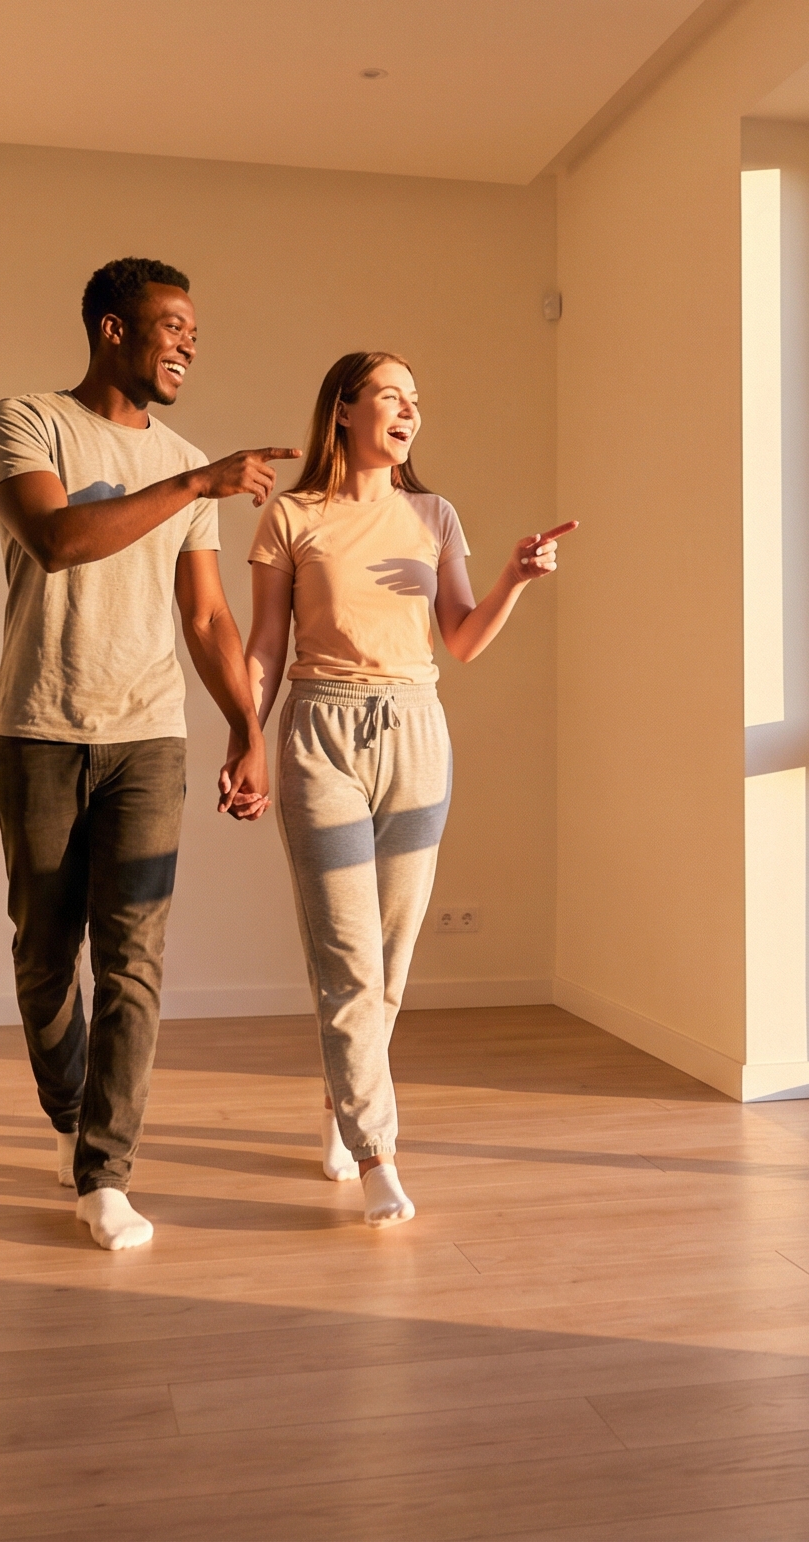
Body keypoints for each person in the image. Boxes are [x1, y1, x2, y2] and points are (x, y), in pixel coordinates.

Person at [0, 257, 295, 1251]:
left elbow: (205, 616)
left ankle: (106, 1171)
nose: (189, 345)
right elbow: (58, 540)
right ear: (114, 330)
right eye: (172, 326)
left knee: (134, 961)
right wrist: (197, 481)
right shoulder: (28, 421)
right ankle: (75, 1117)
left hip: (149, 738)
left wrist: (250, 730)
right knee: (44, 955)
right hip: (39, 727)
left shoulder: (187, 457)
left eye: (195, 330)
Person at [243, 352, 574, 1227]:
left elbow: (460, 639)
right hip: (320, 730)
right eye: (393, 395)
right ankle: (379, 1150)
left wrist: (515, 578)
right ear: (345, 408)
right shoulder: (293, 516)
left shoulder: (434, 514)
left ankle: (338, 1105)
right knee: (347, 958)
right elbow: (266, 645)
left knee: (389, 963)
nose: (410, 412)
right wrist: (244, 736)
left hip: (418, 730)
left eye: (417, 401)